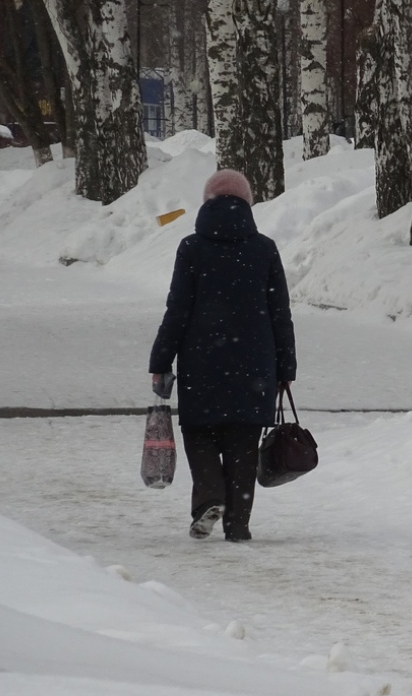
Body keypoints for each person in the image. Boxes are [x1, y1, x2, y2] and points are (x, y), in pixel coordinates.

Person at [148, 169, 297, 542]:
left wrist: (161, 361)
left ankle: (210, 496)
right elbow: (280, 311)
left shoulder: (192, 247)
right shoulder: (264, 248)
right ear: (247, 202)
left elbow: (177, 308)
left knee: (199, 433)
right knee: (243, 441)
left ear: (207, 202)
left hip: (201, 358)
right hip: (255, 363)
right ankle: (238, 525)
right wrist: (286, 366)